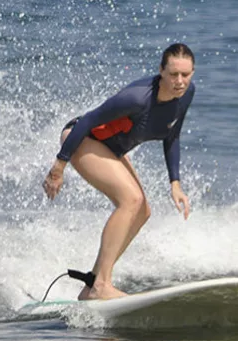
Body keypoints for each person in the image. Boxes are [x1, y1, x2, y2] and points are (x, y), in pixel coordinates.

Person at [42, 43, 196, 300]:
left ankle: (92, 284)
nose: (179, 81)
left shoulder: (186, 95)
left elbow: (173, 135)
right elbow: (88, 121)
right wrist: (58, 167)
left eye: (186, 74)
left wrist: (175, 183)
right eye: (173, 74)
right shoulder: (137, 99)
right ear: (161, 71)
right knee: (130, 200)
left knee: (142, 211)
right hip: (82, 139)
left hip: (110, 148)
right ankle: (102, 285)